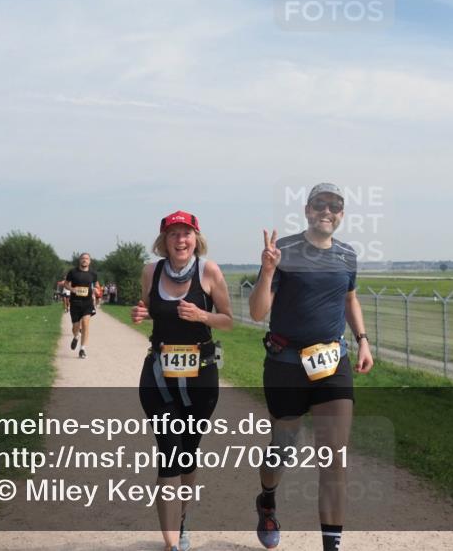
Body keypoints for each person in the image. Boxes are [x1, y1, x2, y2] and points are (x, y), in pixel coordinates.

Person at [248, 183, 374, 551]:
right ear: (307, 210)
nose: (327, 211)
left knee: (334, 458)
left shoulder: (347, 255)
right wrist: (268, 270)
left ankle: (331, 547)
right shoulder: (283, 250)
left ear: (341, 215)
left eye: (335, 206)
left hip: (332, 364)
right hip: (286, 364)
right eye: (320, 204)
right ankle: (267, 499)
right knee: (283, 449)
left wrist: (363, 339)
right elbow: (258, 312)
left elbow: (349, 299)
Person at [132, 210, 233, 551]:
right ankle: (172, 544)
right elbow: (146, 306)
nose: (180, 239)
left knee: (188, 453)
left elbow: (228, 321)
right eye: (173, 233)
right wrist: (140, 312)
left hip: (201, 374)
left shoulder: (210, 271)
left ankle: (182, 520)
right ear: (164, 241)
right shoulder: (151, 271)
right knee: (169, 452)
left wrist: (203, 315)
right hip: (159, 375)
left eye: (186, 233)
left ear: (196, 238)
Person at [64, 253, 97, 359]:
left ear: (90, 261)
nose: (84, 260)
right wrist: (72, 289)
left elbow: (96, 285)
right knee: (75, 327)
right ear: (80, 260)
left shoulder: (93, 274)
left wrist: (95, 291)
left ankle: (82, 349)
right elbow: (65, 284)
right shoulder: (73, 272)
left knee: (86, 324)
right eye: (83, 258)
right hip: (75, 302)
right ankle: (76, 336)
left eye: (87, 259)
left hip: (87, 303)